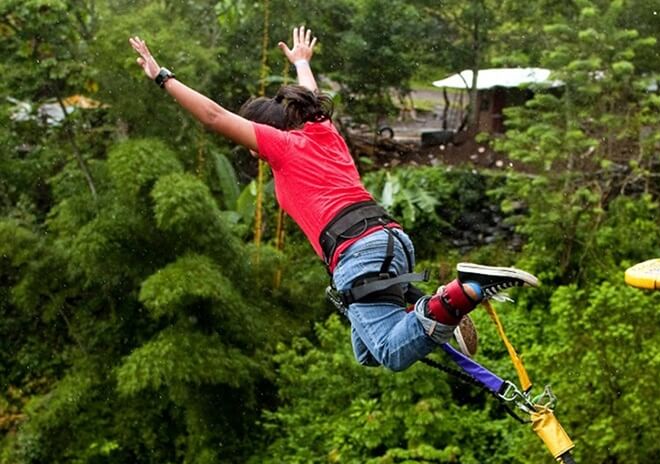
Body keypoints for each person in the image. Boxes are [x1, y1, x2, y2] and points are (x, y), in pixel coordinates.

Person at [129, 26, 539, 372]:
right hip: (391, 240)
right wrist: (302, 63)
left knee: (392, 354)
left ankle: (459, 294)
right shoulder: (324, 131)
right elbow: (311, 93)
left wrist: (161, 75)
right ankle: (429, 307)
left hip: (357, 252)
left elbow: (214, 116)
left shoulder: (282, 147)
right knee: (366, 352)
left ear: (269, 130)